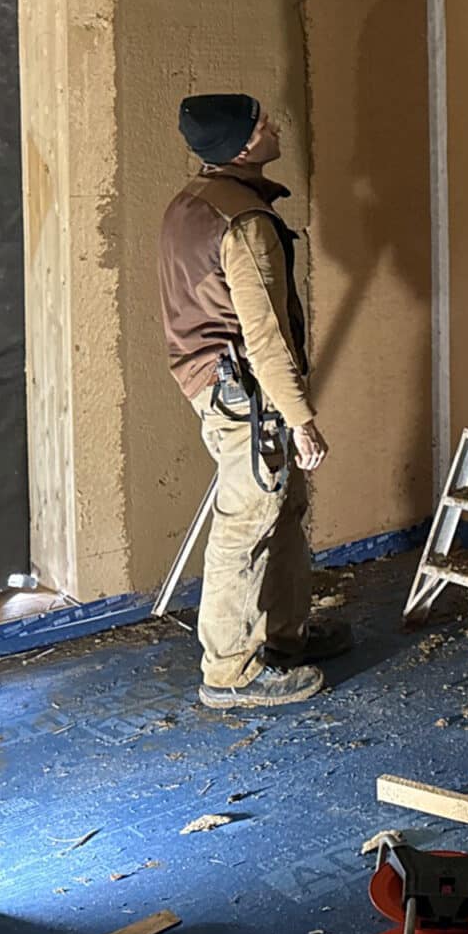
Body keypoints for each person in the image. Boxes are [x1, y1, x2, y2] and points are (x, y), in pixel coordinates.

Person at [157, 93, 349, 708]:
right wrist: (302, 419)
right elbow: (265, 334)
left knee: (283, 507)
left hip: (222, 383)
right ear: (241, 147)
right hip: (244, 393)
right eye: (261, 123)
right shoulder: (244, 223)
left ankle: (283, 636)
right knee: (247, 521)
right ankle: (230, 670)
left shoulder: (194, 201)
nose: (274, 126)